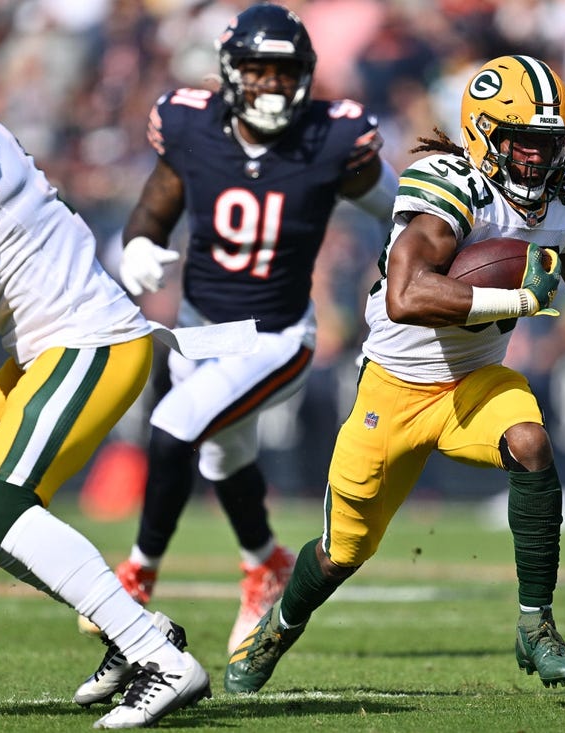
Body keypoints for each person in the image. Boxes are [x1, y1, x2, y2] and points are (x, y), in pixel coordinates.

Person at [220, 53, 565, 694]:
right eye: (524, 146)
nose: (539, 162)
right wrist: (519, 300)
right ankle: (277, 628)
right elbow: (408, 295)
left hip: (474, 382)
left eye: (551, 146)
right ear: (485, 137)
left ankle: (535, 624)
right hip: (394, 387)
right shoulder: (448, 185)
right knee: (342, 552)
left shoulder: (561, 203)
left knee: (532, 443)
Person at [95, 2, 399, 655]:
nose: (270, 84)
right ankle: (266, 563)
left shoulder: (329, 139)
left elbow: (402, 211)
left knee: (175, 423)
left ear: (306, 77)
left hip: (277, 335)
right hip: (199, 328)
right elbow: (151, 213)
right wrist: (140, 246)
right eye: (256, 71)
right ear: (231, 74)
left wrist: (403, 269)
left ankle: (137, 573)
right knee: (220, 453)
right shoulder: (193, 129)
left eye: (283, 72)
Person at [0, 9, 210, 728]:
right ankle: (129, 625)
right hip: (48, 348)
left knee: (1, 499)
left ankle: (159, 655)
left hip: (88, 339)